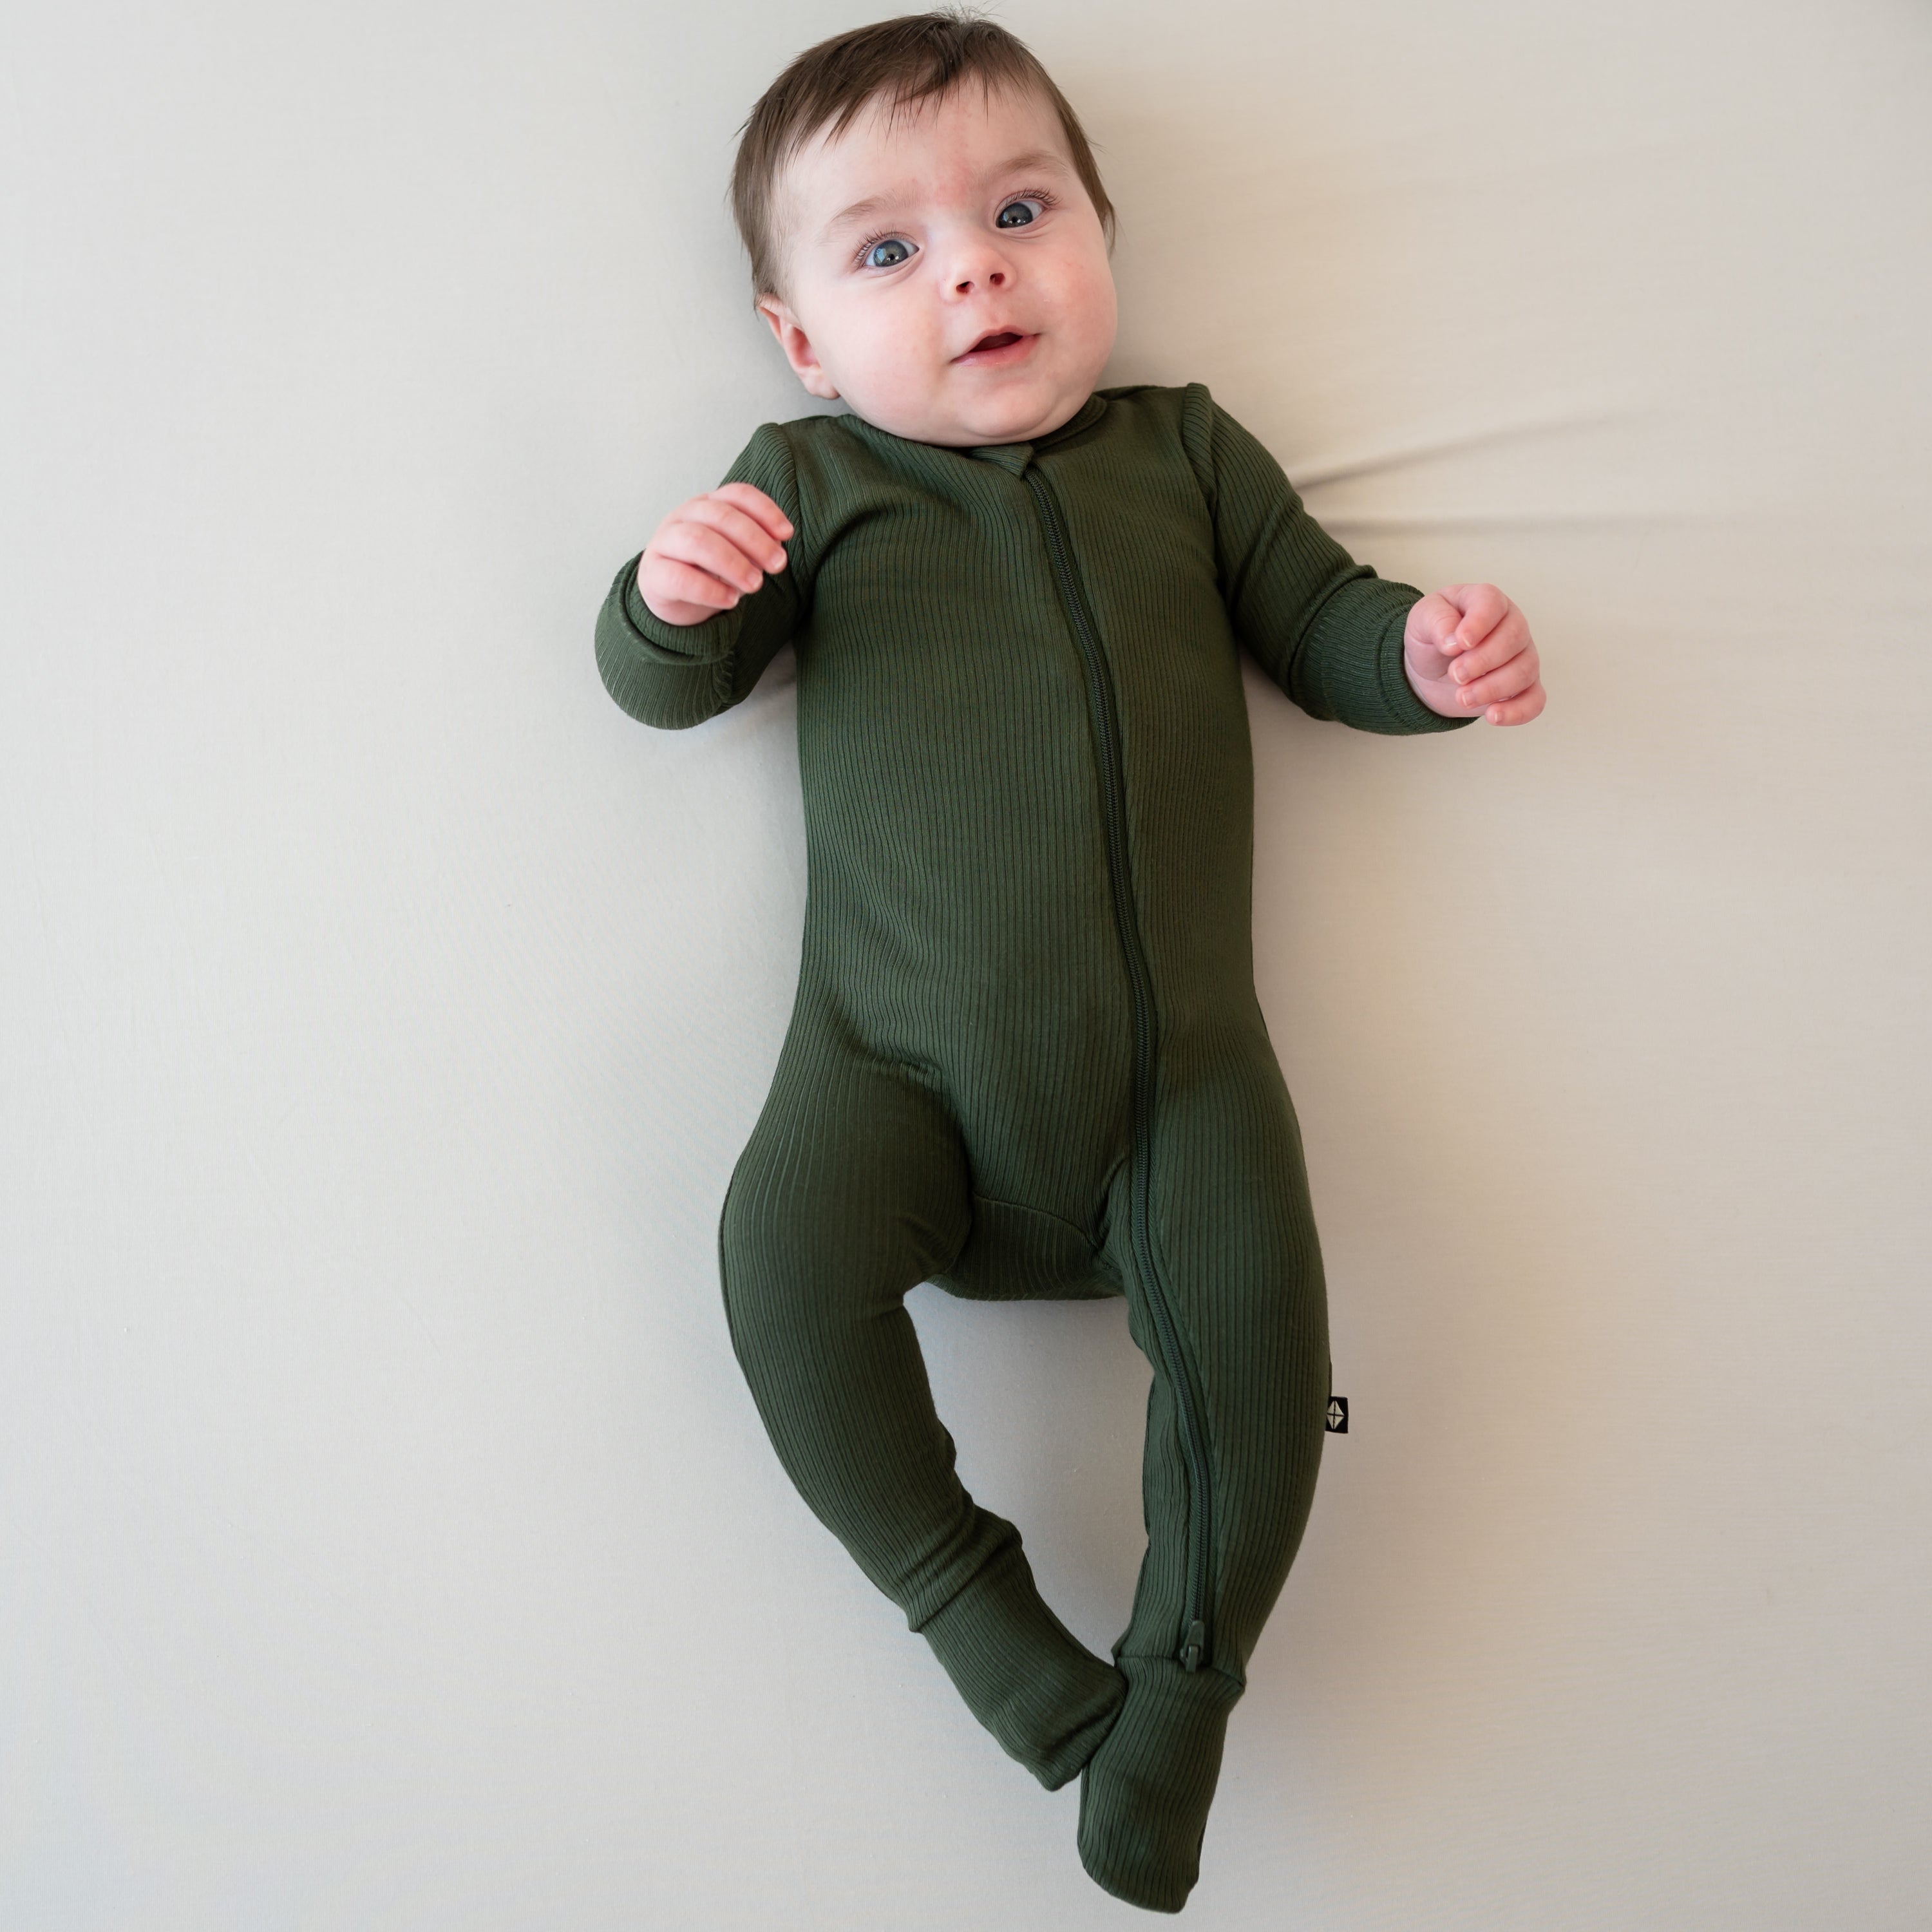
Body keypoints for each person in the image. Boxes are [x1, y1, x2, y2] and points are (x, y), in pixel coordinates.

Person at [592, 10, 1545, 1912]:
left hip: (1181, 1085)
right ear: (800, 339)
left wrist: (1424, 665)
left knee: (1271, 1358)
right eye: (887, 250)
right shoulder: (808, 478)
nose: (974, 264)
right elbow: (661, 686)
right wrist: (664, 596)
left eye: (1022, 206)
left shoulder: (1186, 457)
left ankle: (1177, 1704)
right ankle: (994, 1639)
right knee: (775, 1269)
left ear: (1101, 234)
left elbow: (1325, 625)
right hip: (887, 1081)